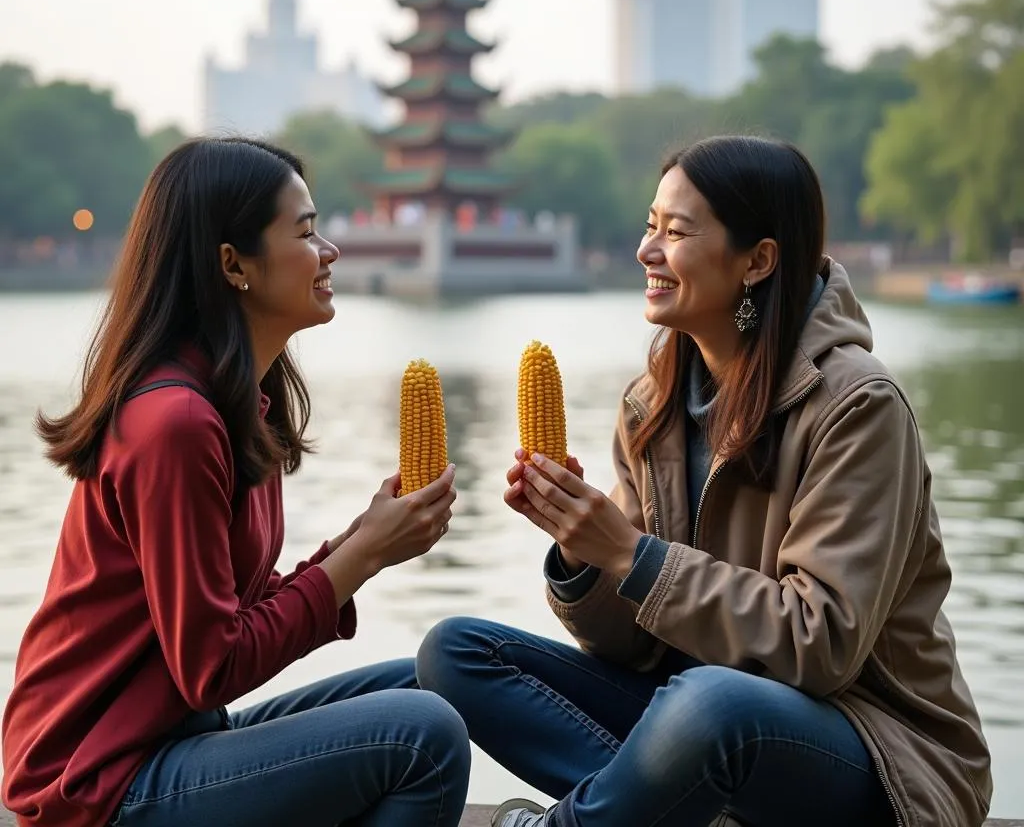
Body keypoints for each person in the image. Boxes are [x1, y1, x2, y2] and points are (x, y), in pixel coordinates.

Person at [417, 136, 992, 827]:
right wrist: (582, 554)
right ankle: (671, 809)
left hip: (875, 750)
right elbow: (634, 648)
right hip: (700, 719)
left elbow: (822, 646)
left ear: (758, 261)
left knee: (709, 705)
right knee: (456, 654)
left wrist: (632, 554)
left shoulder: (857, 406)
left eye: (676, 231)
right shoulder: (650, 405)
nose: (646, 251)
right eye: (650, 225)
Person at [2, 138, 469, 827]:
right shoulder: (174, 425)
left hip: (173, 737)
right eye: (307, 231)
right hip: (94, 780)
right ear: (233, 264)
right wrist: (361, 557)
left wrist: (361, 541)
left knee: (448, 681)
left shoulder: (238, 402)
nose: (331, 250)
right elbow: (211, 665)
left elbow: (229, 614)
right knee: (423, 735)